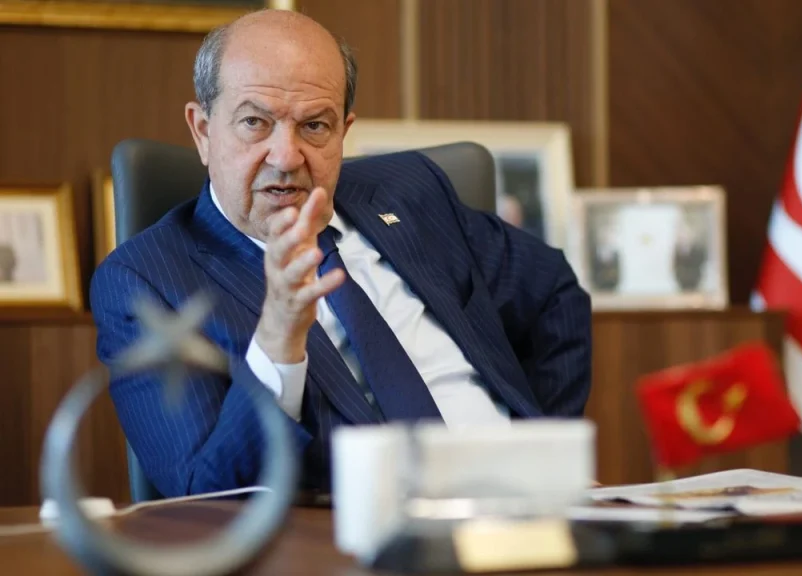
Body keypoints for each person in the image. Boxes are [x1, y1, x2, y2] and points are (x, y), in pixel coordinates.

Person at [90, 9, 592, 498]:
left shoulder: (408, 193)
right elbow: (205, 494)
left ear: (344, 132)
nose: (286, 156)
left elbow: (555, 294)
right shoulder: (146, 283)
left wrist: (538, 457)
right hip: (360, 532)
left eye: (314, 126)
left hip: (525, 513)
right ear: (202, 130)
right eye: (254, 122)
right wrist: (279, 336)